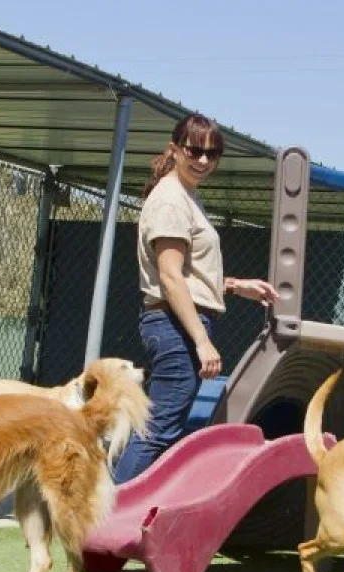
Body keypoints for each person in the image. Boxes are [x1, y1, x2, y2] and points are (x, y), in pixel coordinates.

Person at [112, 114, 279, 484]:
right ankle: (107, 524)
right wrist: (202, 342)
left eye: (212, 153)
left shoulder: (185, 196)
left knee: (160, 430)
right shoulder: (172, 200)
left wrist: (234, 285)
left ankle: (120, 520)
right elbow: (170, 278)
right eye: (195, 150)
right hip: (175, 328)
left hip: (177, 324)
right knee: (158, 433)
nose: (203, 160)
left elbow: (187, 276)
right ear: (175, 150)